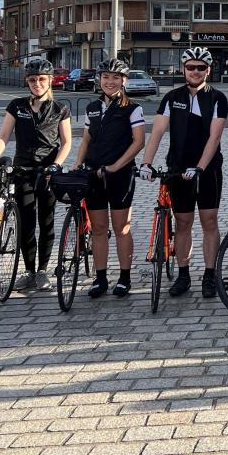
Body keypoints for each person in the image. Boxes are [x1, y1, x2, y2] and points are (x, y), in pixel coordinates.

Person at [140, 46, 228, 299]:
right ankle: (183, 274)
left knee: (209, 221)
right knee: (183, 223)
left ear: (208, 71)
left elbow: (215, 136)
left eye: (201, 68)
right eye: (191, 67)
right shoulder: (171, 97)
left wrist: (200, 167)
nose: (196, 72)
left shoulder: (217, 98)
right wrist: (146, 163)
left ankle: (210, 274)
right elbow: (156, 132)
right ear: (183, 70)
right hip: (178, 169)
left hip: (207, 169)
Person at [0, 58, 72, 291]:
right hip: (22, 171)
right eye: (32, 80)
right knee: (26, 222)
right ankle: (29, 271)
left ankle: (43, 271)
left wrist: (57, 165)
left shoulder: (60, 109)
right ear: (27, 82)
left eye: (42, 79)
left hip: (48, 172)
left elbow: (67, 142)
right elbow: (3, 136)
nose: (37, 83)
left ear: (50, 81)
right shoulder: (16, 106)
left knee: (46, 221)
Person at [75, 58, 145, 299]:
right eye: (106, 77)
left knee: (121, 227)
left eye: (116, 77)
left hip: (120, 175)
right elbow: (86, 139)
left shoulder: (132, 108)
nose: (110, 81)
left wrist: (116, 166)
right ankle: (101, 277)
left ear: (124, 81)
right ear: (100, 79)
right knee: (98, 228)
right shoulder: (92, 107)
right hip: (94, 173)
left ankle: (125, 277)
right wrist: (76, 164)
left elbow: (138, 142)